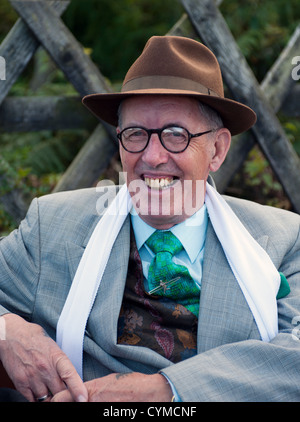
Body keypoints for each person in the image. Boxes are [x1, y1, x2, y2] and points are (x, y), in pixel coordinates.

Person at [0, 35, 300, 403]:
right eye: (137, 134)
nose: (153, 156)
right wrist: (7, 330)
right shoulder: (53, 226)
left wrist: (165, 392)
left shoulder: (282, 239)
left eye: (176, 134)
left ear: (217, 149)